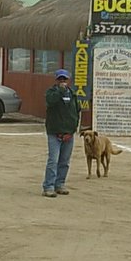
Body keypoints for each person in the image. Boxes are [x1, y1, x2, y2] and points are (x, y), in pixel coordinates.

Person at [42, 69, 81, 197]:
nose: (62, 82)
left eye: (65, 79)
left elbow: (76, 112)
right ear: (56, 80)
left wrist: (73, 129)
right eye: (60, 79)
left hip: (69, 134)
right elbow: (51, 101)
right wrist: (60, 91)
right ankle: (48, 186)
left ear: (68, 80)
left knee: (65, 161)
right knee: (53, 160)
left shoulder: (73, 95)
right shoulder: (51, 92)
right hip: (54, 133)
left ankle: (60, 184)